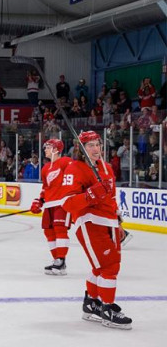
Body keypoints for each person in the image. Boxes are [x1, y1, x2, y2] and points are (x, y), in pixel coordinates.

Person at [60, 131, 131, 329]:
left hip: (109, 222)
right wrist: (91, 194)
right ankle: (107, 309)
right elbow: (67, 203)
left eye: (97, 144)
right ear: (81, 149)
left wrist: (118, 223)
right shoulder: (74, 168)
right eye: (89, 145)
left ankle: (91, 303)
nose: (95, 148)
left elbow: (111, 199)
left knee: (101, 267)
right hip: (90, 221)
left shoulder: (107, 168)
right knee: (110, 267)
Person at [28, 139, 72, 275]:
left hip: (63, 202)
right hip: (50, 204)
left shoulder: (66, 162)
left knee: (60, 229)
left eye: (48, 147)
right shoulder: (46, 168)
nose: (45, 149)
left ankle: (61, 260)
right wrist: (39, 200)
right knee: (48, 231)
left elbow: (74, 178)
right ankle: (56, 260)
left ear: (56, 149)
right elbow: (45, 188)